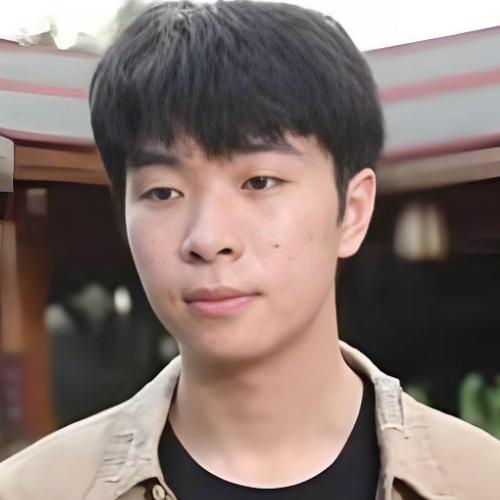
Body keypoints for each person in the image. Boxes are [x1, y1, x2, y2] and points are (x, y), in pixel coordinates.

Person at [1, 2, 499, 499]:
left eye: (259, 182)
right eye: (163, 191)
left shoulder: (478, 482)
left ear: (352, 211)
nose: (207, 238)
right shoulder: (35, 489)